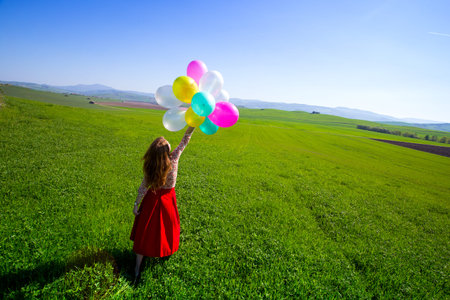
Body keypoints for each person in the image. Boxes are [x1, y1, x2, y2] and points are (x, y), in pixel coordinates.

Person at [130, 126, 195, 281]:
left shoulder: (150, 166)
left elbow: (143, 187)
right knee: (168, 228)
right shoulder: (174, 159)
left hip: (151, 200)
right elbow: (185, 141)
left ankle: (137, 267)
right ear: (167, 151)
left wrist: (136, 204)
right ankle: (166, 252)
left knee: (145, 233)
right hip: (168, 200)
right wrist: (191, 125)